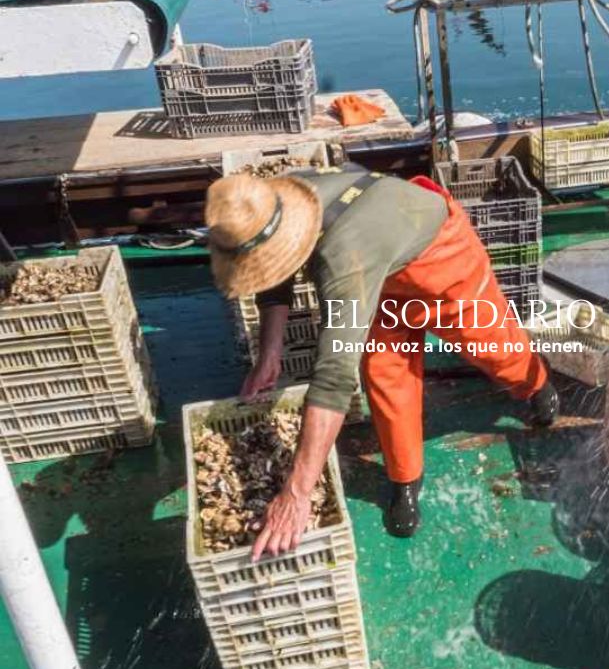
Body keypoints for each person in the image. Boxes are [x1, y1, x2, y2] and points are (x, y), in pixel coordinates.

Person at [203, 166, 558, 555]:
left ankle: (537, 385)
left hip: (441, 261)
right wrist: (268, 357)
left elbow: (334, 379)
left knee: (497, 349)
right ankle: (405, 479)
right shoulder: (271, 204)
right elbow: (276, 276)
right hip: (380, 276)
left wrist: (296, 493)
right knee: (385, 376)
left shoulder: (342, 260)